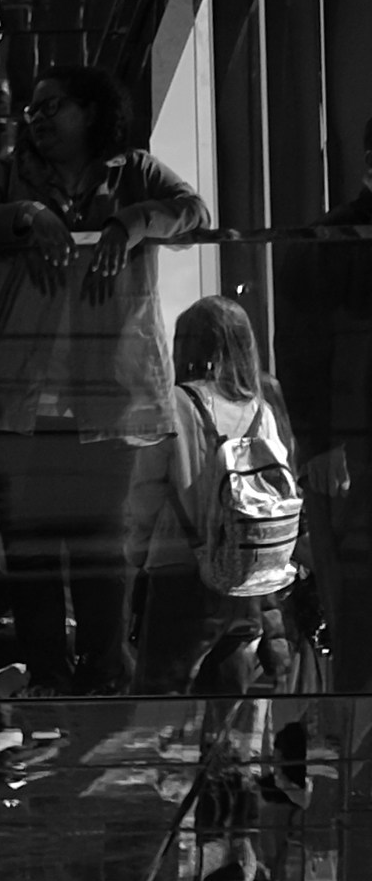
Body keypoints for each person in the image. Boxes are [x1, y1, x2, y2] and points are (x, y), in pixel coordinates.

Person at [0, 57, 210, 689]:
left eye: (52, 105)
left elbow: (191, 210)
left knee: (102, 550)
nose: (37, 119)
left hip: (107, 397)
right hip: (13, 400)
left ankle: (107, 678)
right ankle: (48, 680)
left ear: (90, 110)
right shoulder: (9, 172)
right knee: (28, 553)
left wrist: (129, 221)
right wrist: (27, 215)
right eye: (31, 110)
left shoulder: (133, 170)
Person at [158, 291, 305, 691]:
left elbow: (146, 489)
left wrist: (135, 554)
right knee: (227, 717)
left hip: (183, 571)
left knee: (158, 718)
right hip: (249, 580)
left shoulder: (177, 403)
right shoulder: (263, 409)